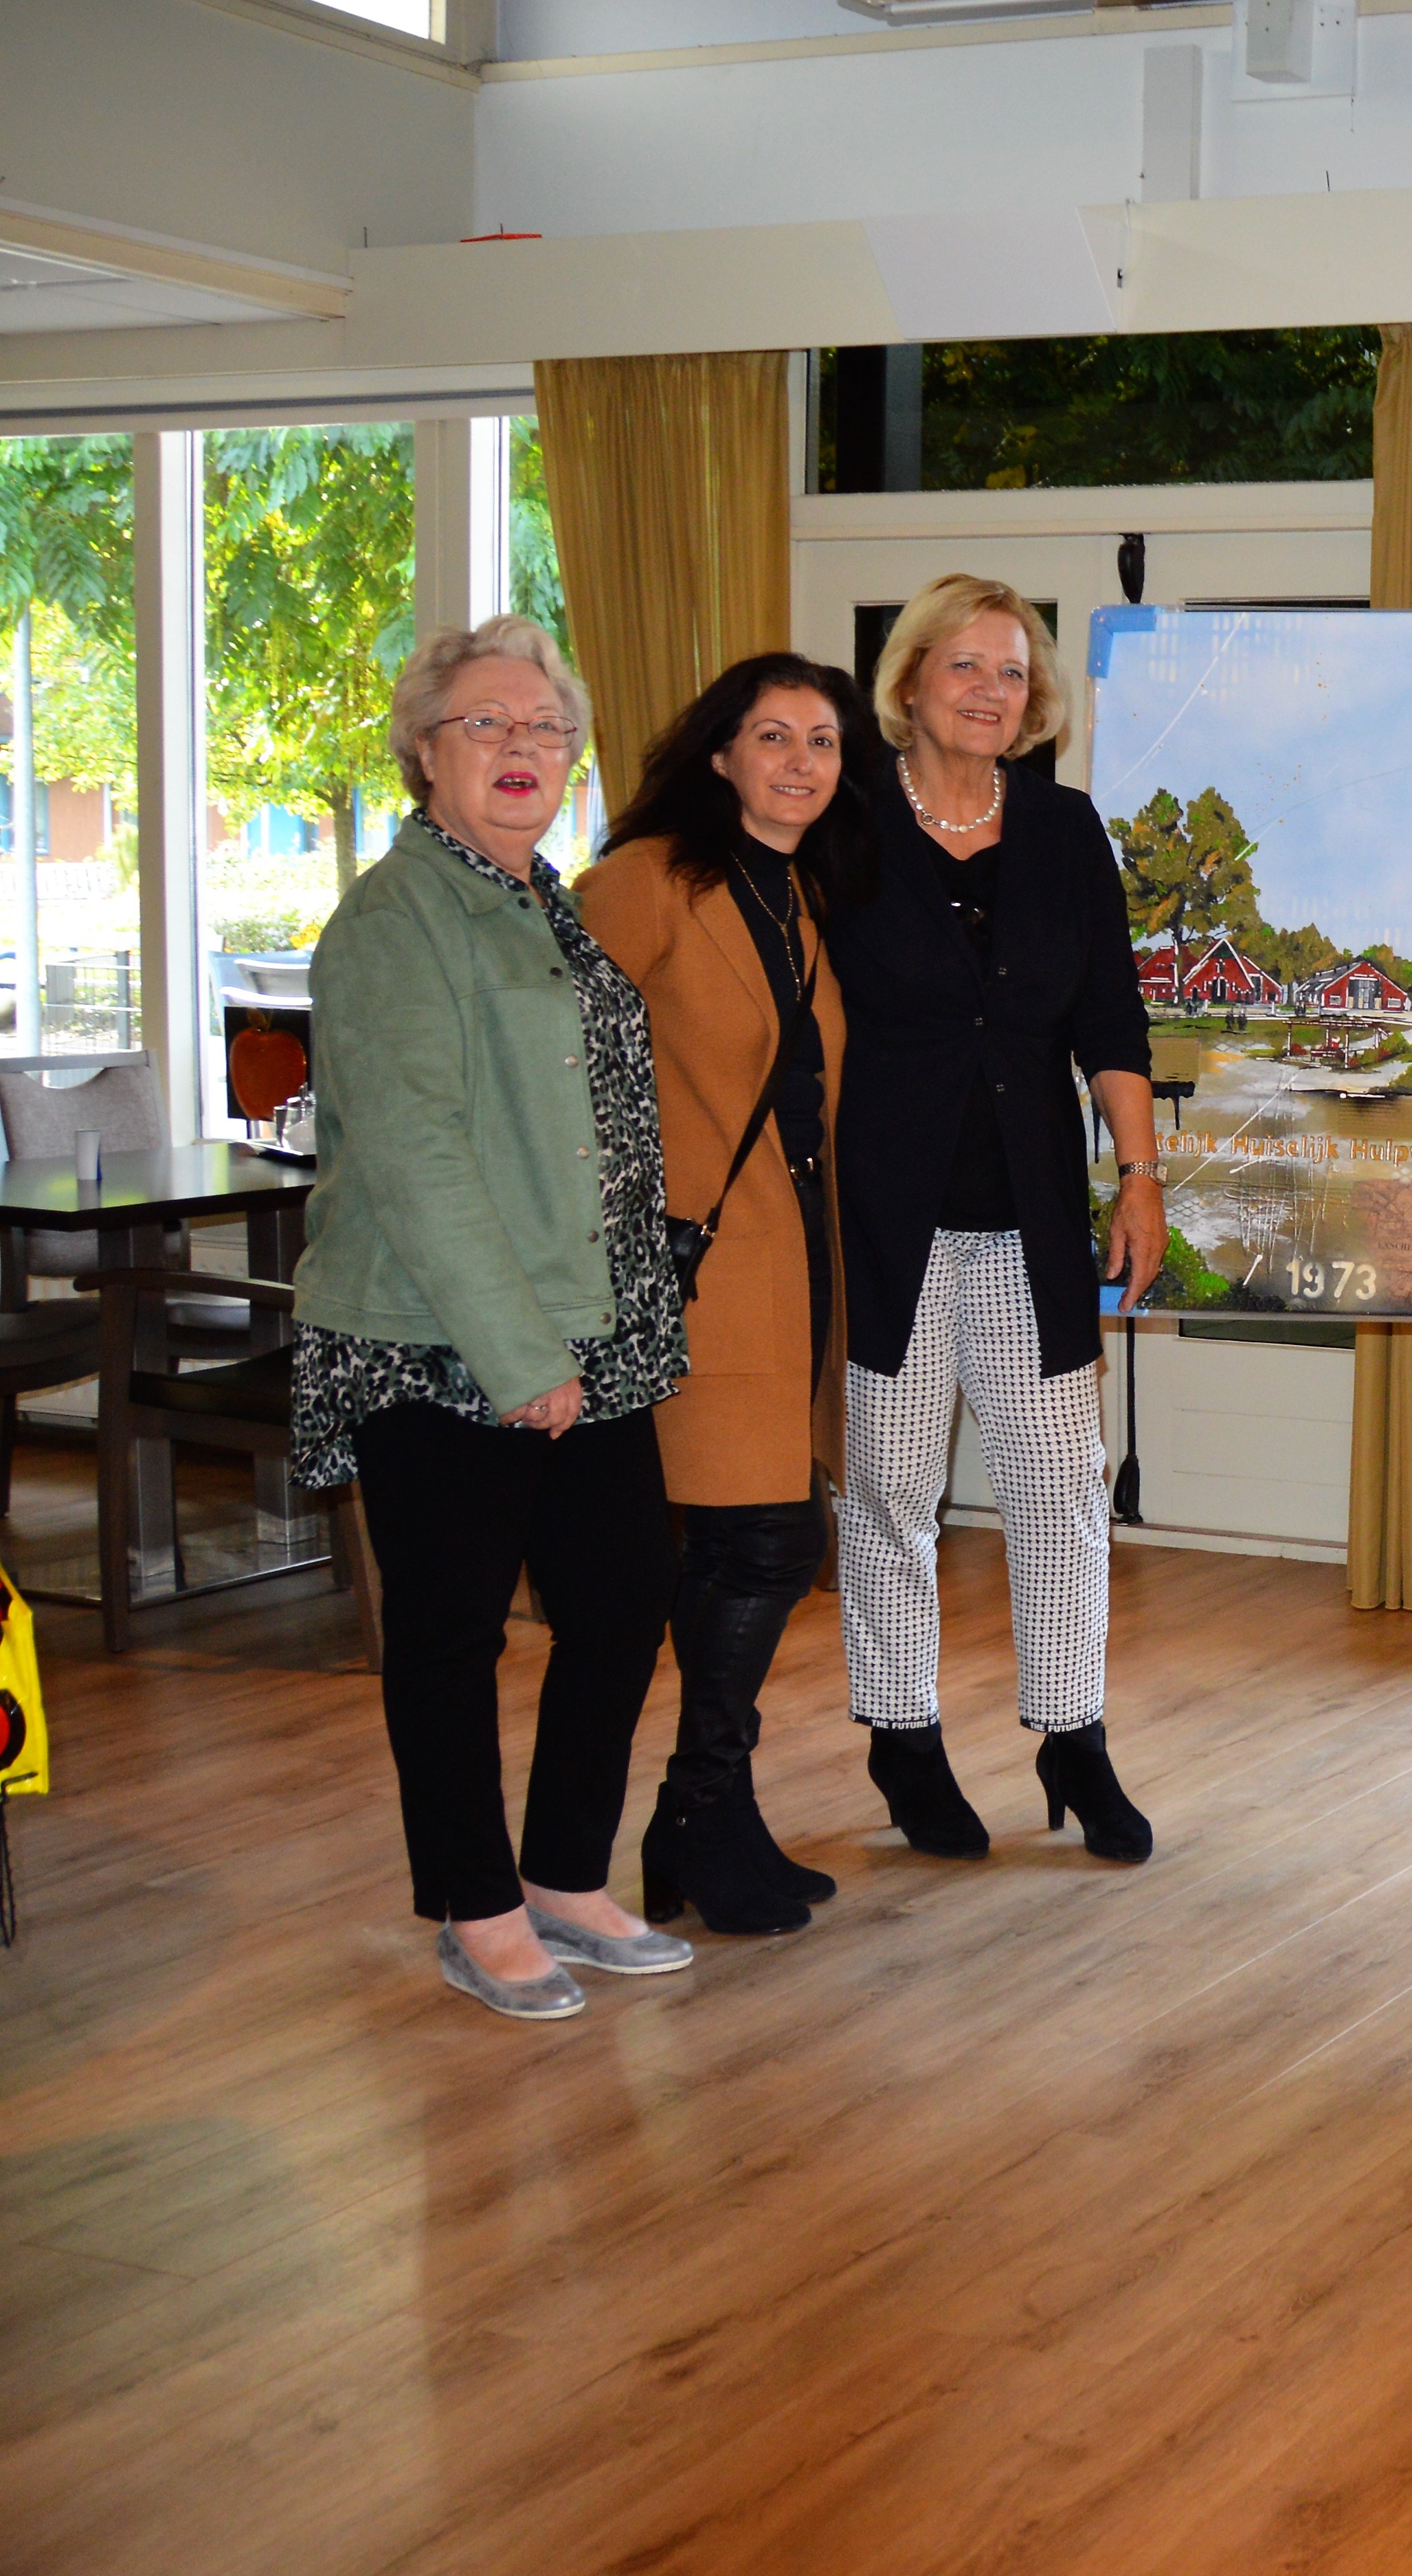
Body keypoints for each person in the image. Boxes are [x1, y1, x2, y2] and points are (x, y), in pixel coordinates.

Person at [293, 617, 693, 2019]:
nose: (521, 748)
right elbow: (415, 1152)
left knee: (622, 1595)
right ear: (424, 752)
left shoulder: (540, 901)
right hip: (438, 1335)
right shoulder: (394, 918)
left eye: (543, 729)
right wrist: (517, 1357)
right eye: (488, 724)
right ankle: (475, 1906)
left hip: (590, 1323)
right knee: (454, 1631)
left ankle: (566, 1877)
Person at [829, 575, 1164, 1864]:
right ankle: (903, 1739)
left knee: (1062, 1491)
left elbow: (1112, 1024)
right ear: (909, 680)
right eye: (961, 665)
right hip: (887, 1223)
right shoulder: (846, 824)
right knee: (893, 1492)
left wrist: (1137, 1175)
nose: (986, 689)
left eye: (1011, 671)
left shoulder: (1068, 831)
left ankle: (1073, 1737)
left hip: (1031, 1220)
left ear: (1038, 701)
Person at [583, 655, 874, 1936]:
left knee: (758, 1537)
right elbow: (561, 1057)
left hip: (790, 1257)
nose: (802, 762)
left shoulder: (802, 892)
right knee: (759, 1539)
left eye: (822, 741)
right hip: (692, 1265)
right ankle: (699, 1810)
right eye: (774, 737)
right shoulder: (646, 882)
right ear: (717, 755)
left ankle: (709, 1809)